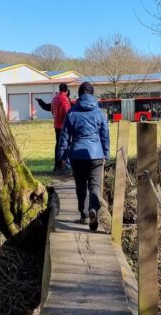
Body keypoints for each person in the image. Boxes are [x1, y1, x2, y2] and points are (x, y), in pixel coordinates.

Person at [57, 81, 110, 231]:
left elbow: (64, 136)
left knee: (80, 186)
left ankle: (85, 215)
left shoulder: (72, 112)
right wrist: (106, 153)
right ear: (92, 95)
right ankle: (94, 208)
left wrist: (62, 155)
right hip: (96, 154)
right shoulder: (100, 113)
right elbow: (105, 135)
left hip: (77, 154)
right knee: (94, 185)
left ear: (79, 95)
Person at [50, 83, 72, 172]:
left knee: (57, 144)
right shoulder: (65, 99)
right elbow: (67, 113)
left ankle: (57, 165)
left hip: (56, 125)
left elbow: (52, 111)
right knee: (65, 145)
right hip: (64, 126)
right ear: (66, 90)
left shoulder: (54, 99)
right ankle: (64, 165)